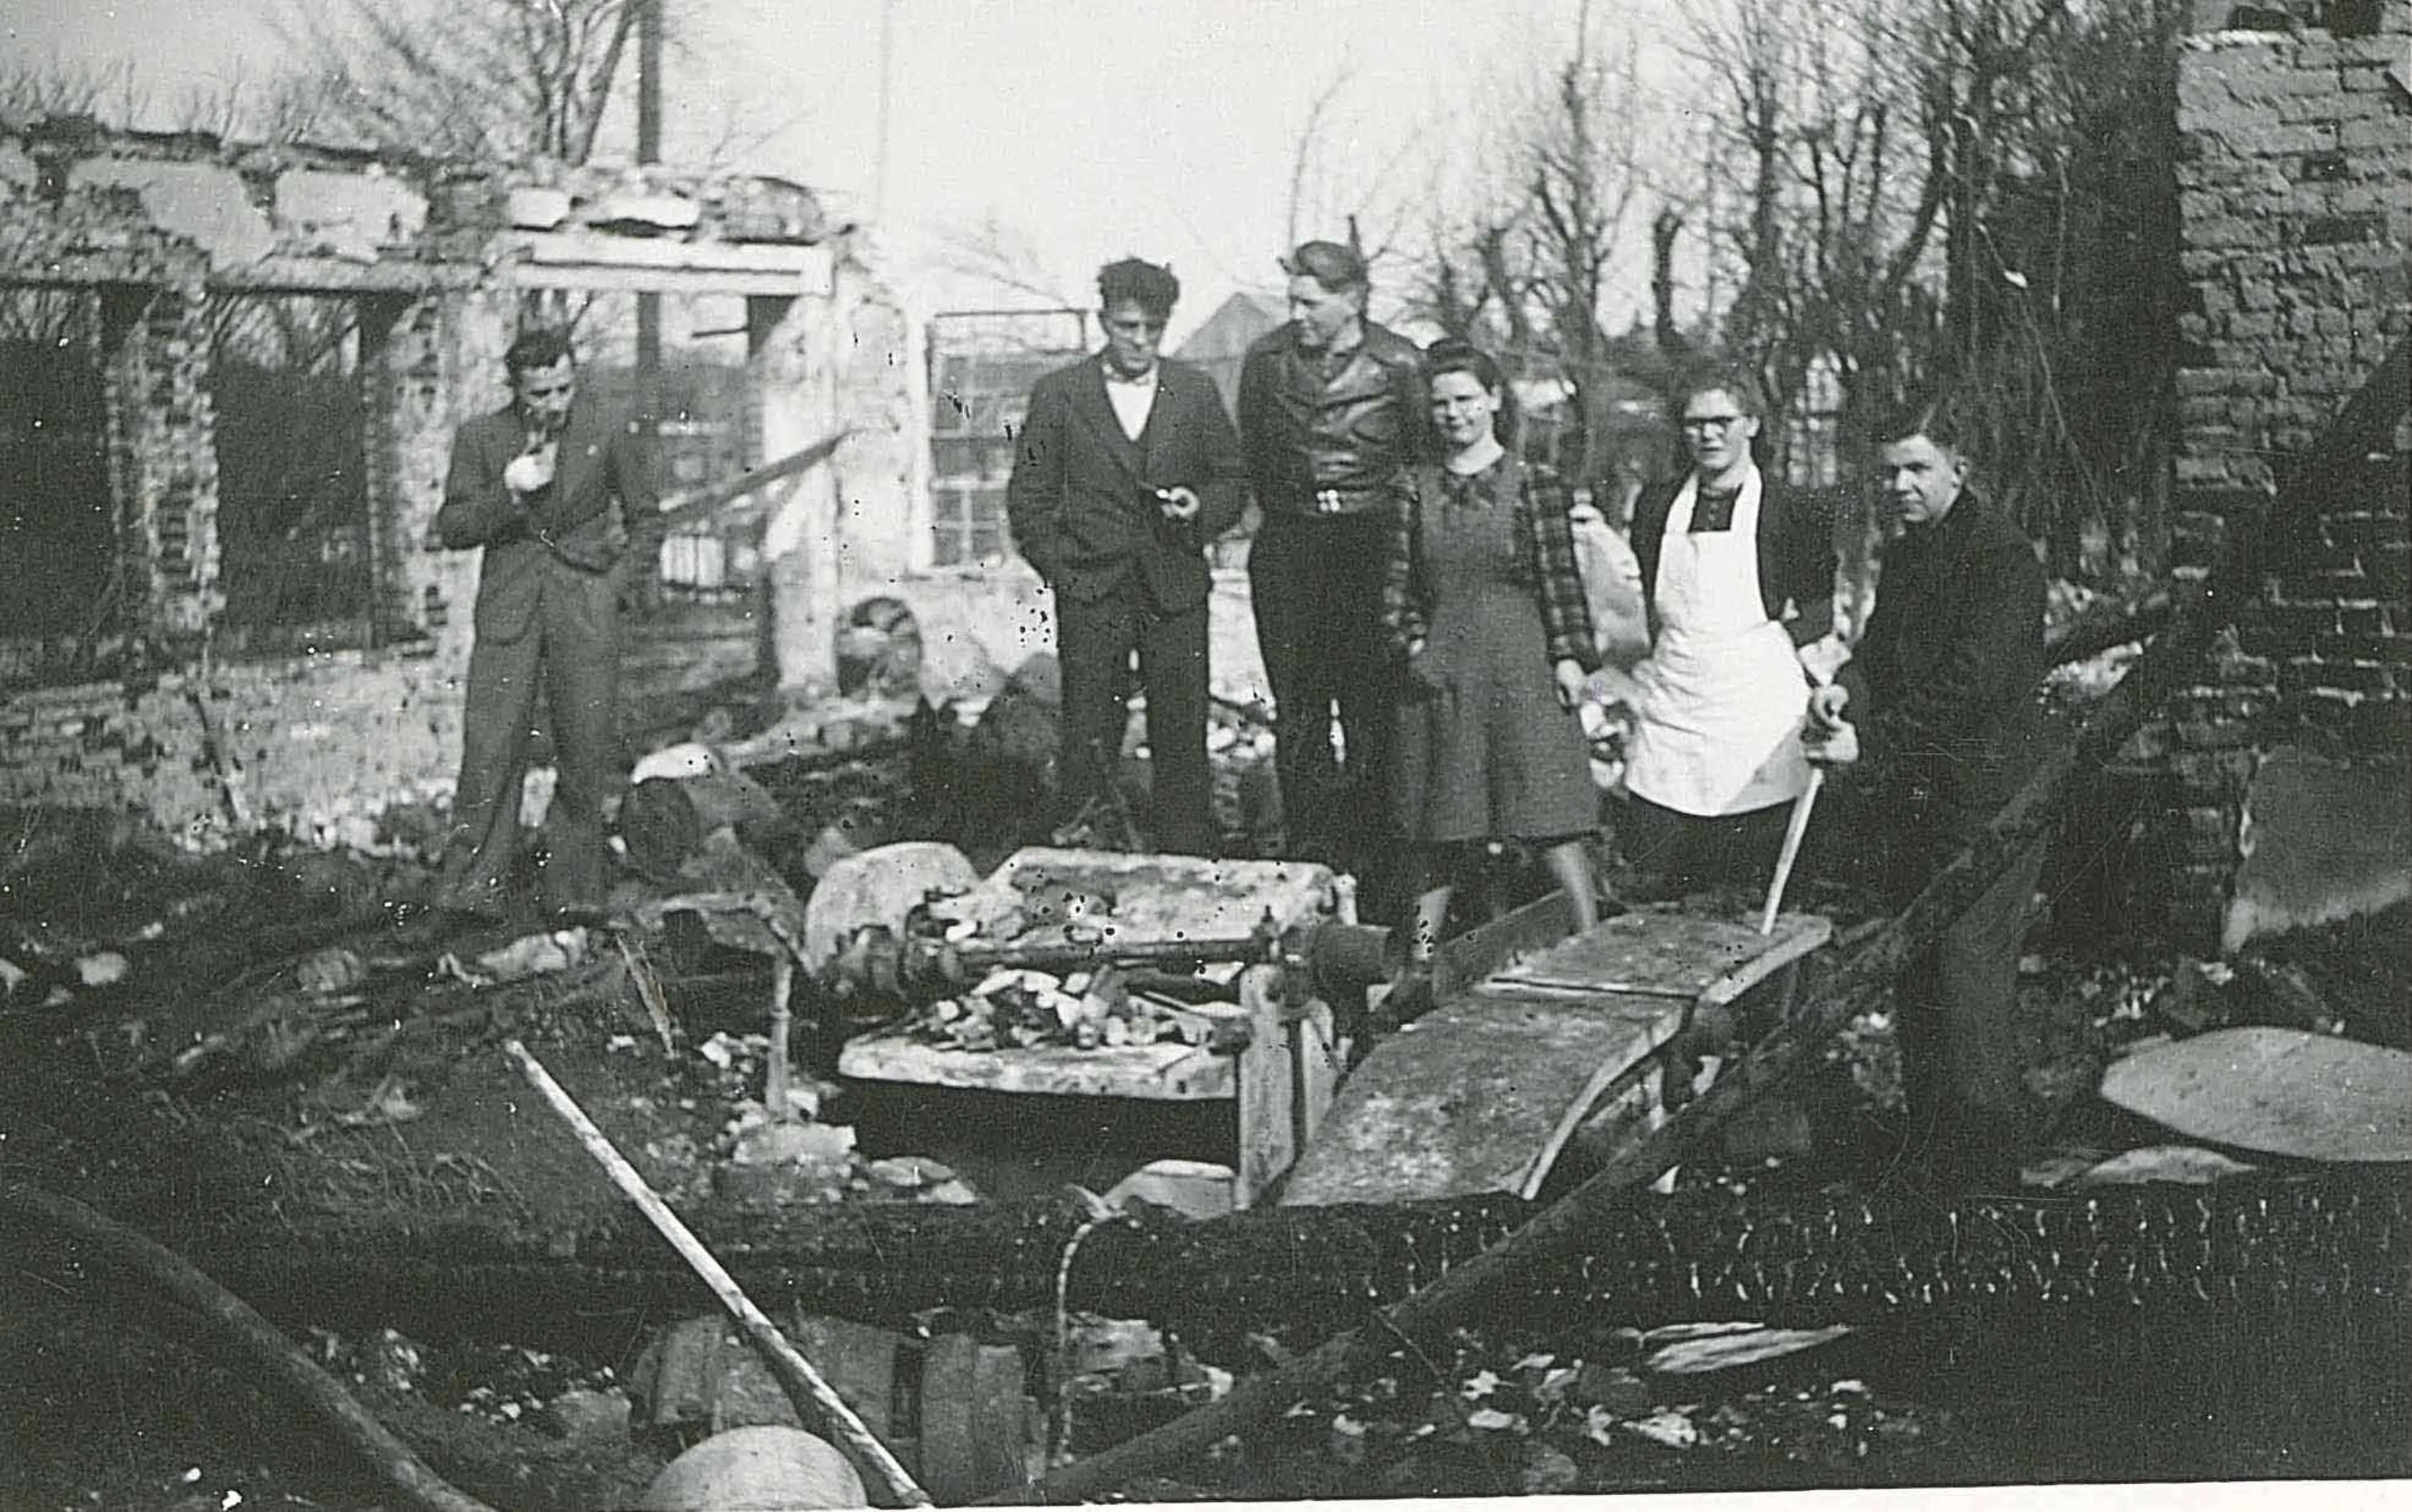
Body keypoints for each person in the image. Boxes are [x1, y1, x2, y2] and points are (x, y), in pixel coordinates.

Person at [1803, 401, 2049, 1183]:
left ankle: (1986, 1186)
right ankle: (1933, 1161)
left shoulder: (2002, 559)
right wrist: (1846, 691)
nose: (1899, 485)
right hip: (1922, 797)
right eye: (1888, 472)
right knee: (1919, 976)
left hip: (1992, 800)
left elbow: (1970, 687)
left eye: (1916, 468)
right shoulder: (1911, 554)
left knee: (1968, 979)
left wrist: (1868, 743)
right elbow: (1880, 655)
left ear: (1958, 469)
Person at [1380, 339, 1602, 1010]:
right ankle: (1418, 965)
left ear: (1494, 401)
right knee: (1437, 828)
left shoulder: (1533, 484)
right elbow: (1394, 593)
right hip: (1443, 675)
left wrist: (1569, 657)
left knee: (1548, 815)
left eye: (1466, 401)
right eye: (1442, 403)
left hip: (1521, 666)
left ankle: (1593, 945)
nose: (1454, 415)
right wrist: (1415, 650)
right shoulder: (1410, 489)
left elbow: (1561, 580)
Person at [1006, 258, 1247, 854]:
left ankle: (1187, 861)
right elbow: (1028, 500)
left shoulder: (1194, 391)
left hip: (1175, 588)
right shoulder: (1060, 394)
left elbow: (1232, 481)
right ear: (1103, 321)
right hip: (1092, 591)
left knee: (1181, 731)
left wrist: (1201, 509)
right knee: (1089, 731)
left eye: (1153, 329)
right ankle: (1086, 855)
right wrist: (1065, 571)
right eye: (1127, 327)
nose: (1140, 342)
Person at [433, 327, 653, 926]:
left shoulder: (605, 432)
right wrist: (507, 491)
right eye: (540, 393)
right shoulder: (481, 438)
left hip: (584, 607)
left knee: (583, 749)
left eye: (563, 388)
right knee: (491, 747)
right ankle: (473, 890)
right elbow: (451, 527)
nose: (555, 403)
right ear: (516, 390)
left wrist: (613, 590)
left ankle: (574, 889)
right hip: (509, 611)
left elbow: (646, 520)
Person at [1237, 239, 1428, 875]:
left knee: (1372, 711)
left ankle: (1376, 864)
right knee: (1299, 713)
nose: (1298, 315)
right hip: (1291, 548)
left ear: (1353, 300)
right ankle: (1311, 858)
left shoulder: (1400, 364)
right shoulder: (1266, 362)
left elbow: (1422, 461)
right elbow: (1257, 458)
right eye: (1292, 301)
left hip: (1370, 551)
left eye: (1311, 303)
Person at [1617, 365, 1837, 896]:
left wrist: (1794, 663)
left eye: (1722, 421)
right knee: (1661, 861)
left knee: (1751, 871)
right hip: (1676, 702)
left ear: (1752, 425)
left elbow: (1818, 610)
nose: (1708, 435)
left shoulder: (1791, 508)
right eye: (1694, 424)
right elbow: (1654, 595)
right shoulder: (1655, 505)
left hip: (1754, 706)